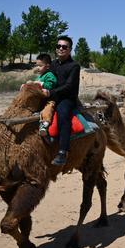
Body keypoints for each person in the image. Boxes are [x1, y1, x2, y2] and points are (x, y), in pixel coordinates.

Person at [44, 36, 81, 166]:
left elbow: (69, 86)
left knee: (63, 114)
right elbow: (47, 78)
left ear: (70, 50)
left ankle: (62, 152)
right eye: (58, 46)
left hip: (67, 98)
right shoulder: (52, 64)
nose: (61, 49)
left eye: (64, 47)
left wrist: (51, 92)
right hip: (52, 96)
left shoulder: (74, 66)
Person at [33, 53, 58, 137]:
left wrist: (41, 84)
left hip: (49, 98)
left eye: (40, 65)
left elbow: (51, 85)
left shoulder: (50, 75)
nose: (38, 68)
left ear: (47, 66)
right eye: (37, 65)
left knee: (49, 107)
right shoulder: (39, 76)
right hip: (40, 99)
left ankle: (45, 123)